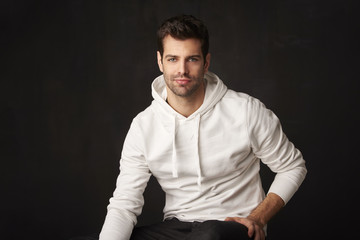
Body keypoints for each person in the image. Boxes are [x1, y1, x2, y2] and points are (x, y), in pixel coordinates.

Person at [98, 14, 307, 240]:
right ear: (160, 61)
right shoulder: (143, 126)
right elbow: (124, 203)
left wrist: (258, 218)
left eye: (192, 59)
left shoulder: (245, 111)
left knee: (210, 235)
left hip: (231, 227)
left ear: (206, 62)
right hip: (177, 229)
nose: (182, 70)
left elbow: (293, 167)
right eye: (172, 59)